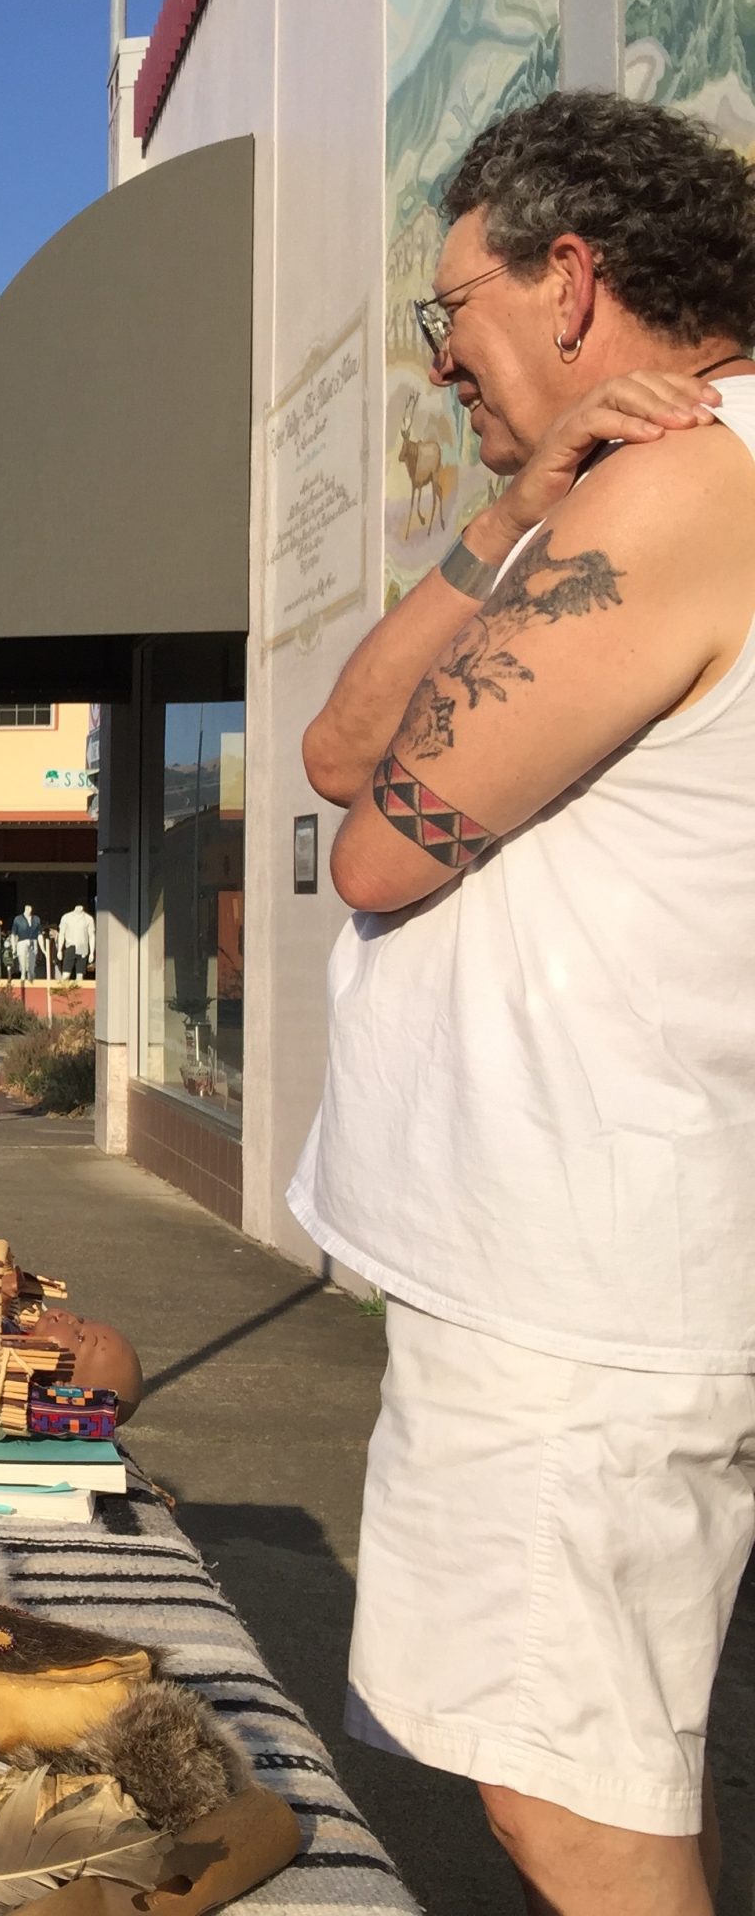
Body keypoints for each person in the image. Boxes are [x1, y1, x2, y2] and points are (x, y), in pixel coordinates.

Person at [290, 92, 755, 1915]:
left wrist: (571, 504)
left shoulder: (685, 486)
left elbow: (375, 850)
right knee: (556, 1779)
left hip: (586, 1306)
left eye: (452, 309)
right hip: (582, 1281)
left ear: (571, 281)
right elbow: (339, 749)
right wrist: (512, 509)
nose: (437, 358)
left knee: (574, 1808)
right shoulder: (619, 495)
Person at [57, 898, 95, 979]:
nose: (79, 908)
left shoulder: (88, 919)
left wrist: (91, 952)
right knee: (66, 974)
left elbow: (91, 936)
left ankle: (78, 988)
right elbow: (61, 934)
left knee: (80, 976)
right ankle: (64, 987)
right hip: (70, 947)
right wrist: (59, 949)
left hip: (83, 949)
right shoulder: (66, 917)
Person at [8, 903, 46, 982]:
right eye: (27, 908)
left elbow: (39, 934)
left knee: (31, 964)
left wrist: (43, 949)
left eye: (30, 908)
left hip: (33, 941)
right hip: (22, 942)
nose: (29, 910)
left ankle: (30, 977)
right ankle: (23, 976)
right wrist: (14, 947)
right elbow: (13, 934)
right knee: (22, 961)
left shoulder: (36, 919)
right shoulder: (18, 919)